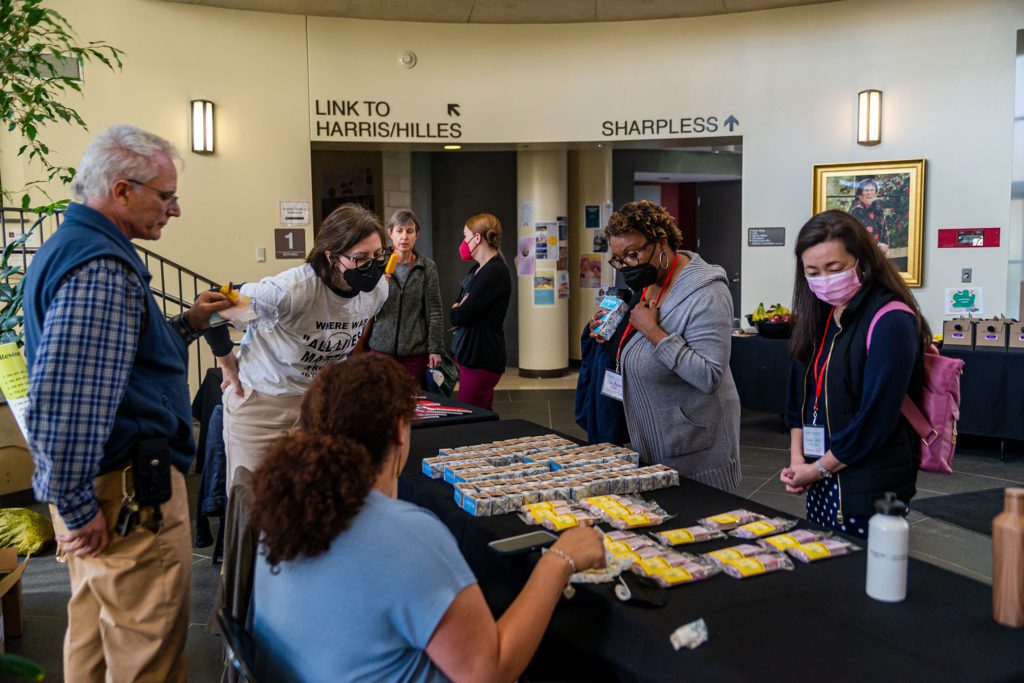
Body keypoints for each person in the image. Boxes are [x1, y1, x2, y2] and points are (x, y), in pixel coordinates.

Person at [22, 124, 233, 682]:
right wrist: (75, 504)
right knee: (146, 656)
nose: (176, 209)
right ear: (121, 191)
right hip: (125, 498)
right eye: (166, 196)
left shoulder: (72, 249)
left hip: (102, 493)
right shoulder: (102, 269)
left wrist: (188, 323)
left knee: (93, 642)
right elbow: (65, 400)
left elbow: (121, 362)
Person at [251, 354, 604, 682]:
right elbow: (489, 671)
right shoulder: (407, 534)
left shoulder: (286, 510)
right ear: (399, 434)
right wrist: (560, 560)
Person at [211, 203, 390, 487]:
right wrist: (227, 363)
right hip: (263, 406)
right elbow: (213, 304)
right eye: (360, 258)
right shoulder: (290, 292)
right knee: (255, 506)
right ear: (332, 256)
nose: (372, 266)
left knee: (309, 504)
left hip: (317, 405)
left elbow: (359, 322)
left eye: (378, 255)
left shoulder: (377, 291)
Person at [780, 209, 930, 538]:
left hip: (868, 482)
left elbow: (876, 418)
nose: (824, 279)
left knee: (862, 575)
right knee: (825, 573)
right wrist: (798, 461)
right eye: (813, 271)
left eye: (834, 268)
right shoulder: (820, 315)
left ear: (861, 260)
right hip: (819, 474)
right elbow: (799, 397)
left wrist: (817, 469)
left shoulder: (891, 319)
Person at [598, 200, 741, 490]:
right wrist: (609, 332)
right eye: (619, 258)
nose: (626, 265)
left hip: (694, 451)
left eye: (633, 254)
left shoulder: (707, 293)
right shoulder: (651, 280)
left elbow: (709, 375)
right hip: (653, 443)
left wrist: (654, 332)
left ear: (661, 242)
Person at [367, 209, 444, 387]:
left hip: (414, 352)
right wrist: (377, 288)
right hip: (381, 349)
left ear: (417, 235)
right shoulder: (377, 264)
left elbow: (435, 310)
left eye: (409, 232)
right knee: (380, 401)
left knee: (412, 403)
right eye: (399, 231)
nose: (404, 237)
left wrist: (435, 349)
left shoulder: (426, 267)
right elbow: (363, 307)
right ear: (390, 234)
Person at [450, 213, 511, 410]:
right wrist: (460, 307)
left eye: (466, 236)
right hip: (472, 355)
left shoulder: (494, 273)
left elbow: (458, 315)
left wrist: (459, 308)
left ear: (477, 238)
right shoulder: (477, 270)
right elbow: (460, 306)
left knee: (468, 418)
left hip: (482, 358)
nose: (463, 242)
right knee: (482, 416)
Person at [848, 178, 889, 253]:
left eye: (872, 190)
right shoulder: (855, 212)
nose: (869, 193)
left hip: (879, 252)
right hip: (862, 251)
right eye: (866, 190)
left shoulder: (879, 210)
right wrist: (878, 245)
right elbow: (858, 235)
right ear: (860, 194)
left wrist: (886, 245)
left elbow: (884, 230)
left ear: (875, 193)